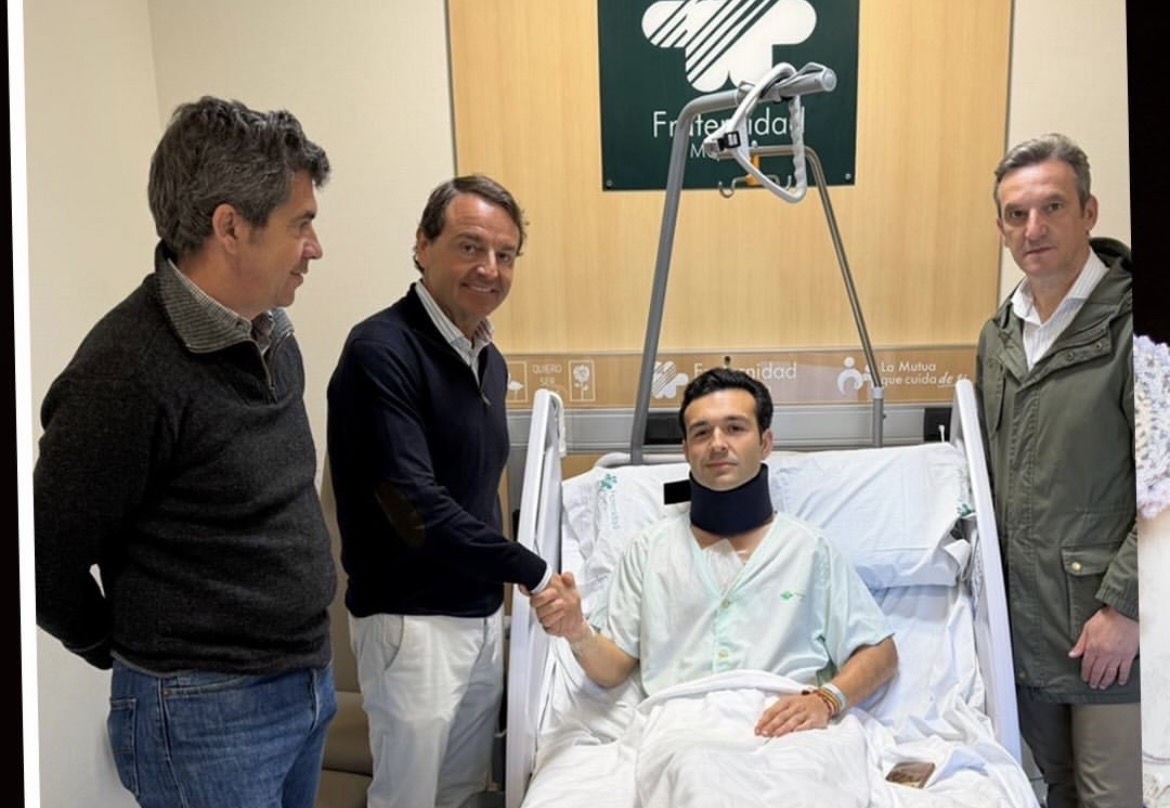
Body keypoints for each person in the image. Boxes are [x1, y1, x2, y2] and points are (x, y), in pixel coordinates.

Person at [34, 96, 337, 808]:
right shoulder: (126, 374)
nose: (316, 248)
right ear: (230, 227)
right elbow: (41, 558)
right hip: (205, 716)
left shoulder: (271, 333)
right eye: (301, 225)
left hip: (304, 682)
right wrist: (126, 648)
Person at [327, 174, 552, 808]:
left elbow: (475, 491)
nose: (490, 269)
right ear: (423, 246)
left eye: (505, 255)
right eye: (470, 247)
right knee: (409, 797)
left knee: (460, 794)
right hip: (412, 622)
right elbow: (414, 510)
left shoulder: (487, 360)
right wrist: (530, 569)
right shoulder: (381, 351)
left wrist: (502, 592)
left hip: (478, 616)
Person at [533, 367, 898, 738]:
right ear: (686, 450)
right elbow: (612, 669)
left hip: (789, 731)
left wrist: (827, 699)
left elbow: (881, 653)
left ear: (766, 442)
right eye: (702, 433)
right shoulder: (649, 551)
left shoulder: (809, 550)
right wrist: (577, 631)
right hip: (682, 730)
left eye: (735, 428)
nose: (718, 444)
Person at [975, 132, 1139, 807]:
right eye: (1016, 214)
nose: (1033, 229)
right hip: (1029, 620)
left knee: (1112, 795)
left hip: (1113, 624)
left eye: (1052, 207)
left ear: (1089, 212)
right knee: (1055, 790)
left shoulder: (1134, 330)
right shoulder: (998, 337)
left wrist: (1128, 607)